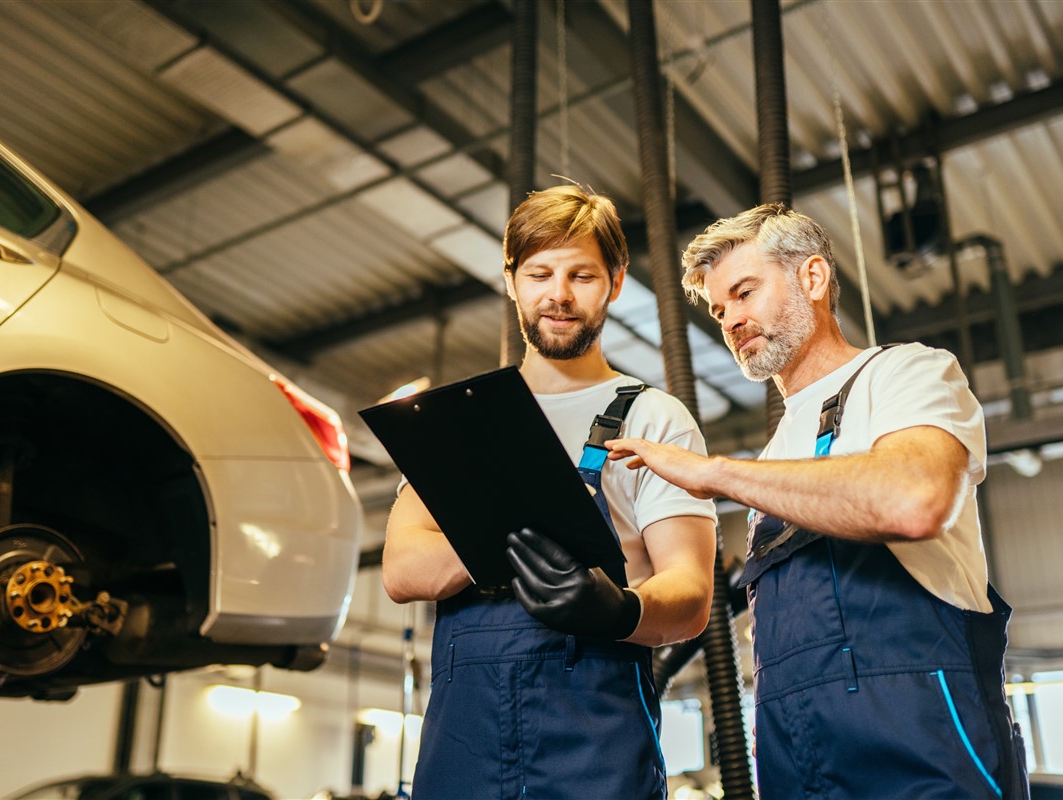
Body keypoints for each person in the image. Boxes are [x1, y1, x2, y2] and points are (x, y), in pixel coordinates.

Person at [607, 203, 1030, 800]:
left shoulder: (904, 374)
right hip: (794, 748)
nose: (730, 319)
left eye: (745, 292)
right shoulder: (778, 450)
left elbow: (914, 500)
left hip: (919, 737)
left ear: (812, 278)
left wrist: (718, 474)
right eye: (720, 308)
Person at [382, 184, 718, 800]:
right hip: (462, 751)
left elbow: (691, 595)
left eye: (581, 275)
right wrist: (506, 527)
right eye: (538, 273)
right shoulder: (458, 421)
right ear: (511, 281)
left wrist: (617, 610)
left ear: (615, 282)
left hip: (595, 748)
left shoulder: (654, 419)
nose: (558, 295)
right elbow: (403, 571)